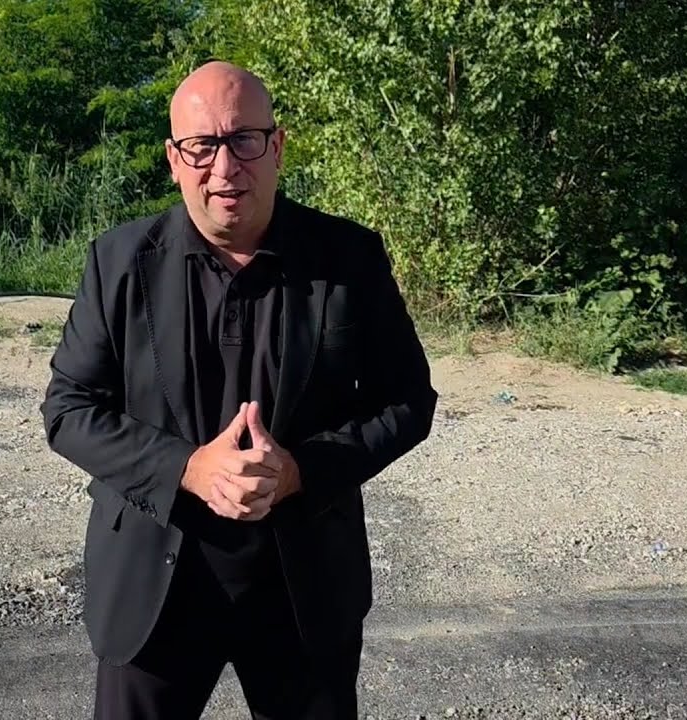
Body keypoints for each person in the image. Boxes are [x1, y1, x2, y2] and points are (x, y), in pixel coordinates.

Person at [40, 60, 437, 719]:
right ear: (174, 159)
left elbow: (408, 400)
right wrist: (187, 468)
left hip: (304, 584)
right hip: (153, 584)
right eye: (202, 146)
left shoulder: (348, 258)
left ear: (277, 147)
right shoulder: (119, 261)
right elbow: (69, 409)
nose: (224, 168)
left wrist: (302, 470)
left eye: (244, 140)